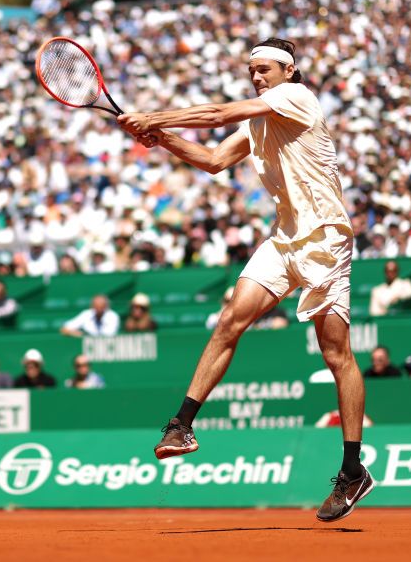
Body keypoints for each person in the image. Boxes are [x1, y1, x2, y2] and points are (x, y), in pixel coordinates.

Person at [118, 37, 370, 522]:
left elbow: (215, 114)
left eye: (266, 69)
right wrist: (161, 138)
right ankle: (182, 425)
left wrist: (156, 118)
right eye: (252, 70)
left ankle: (352, 469)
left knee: (336, 353)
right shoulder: (259, 120)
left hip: (326, 239)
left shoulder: (296, 98)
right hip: (284, 240)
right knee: (230, 319)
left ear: (289, 70)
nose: (257, 76)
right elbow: (213, 160)